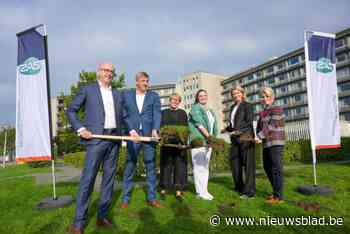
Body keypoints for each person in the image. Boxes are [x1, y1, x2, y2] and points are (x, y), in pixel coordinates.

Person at [66, 63, 123, 234]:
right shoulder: (88, 89)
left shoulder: (117, 94)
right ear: (99, 73)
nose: (109, 73)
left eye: (111, 71)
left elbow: (124, 116)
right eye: (106, 70)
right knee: (88, 180)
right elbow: (71, 110)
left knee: (108, 181)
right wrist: (81, 129)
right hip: (96, 140)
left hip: (114, 139)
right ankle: (78, 223)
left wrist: (132, 131)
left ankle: (102, 216)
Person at [120, 71, 163, 208]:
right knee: (130, 165)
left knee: (150, 166)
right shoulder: (127, 96)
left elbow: (157, 114)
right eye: (144, 81)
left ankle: (152, 198)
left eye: (147, 81)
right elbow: (124, 114)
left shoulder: (153, 96)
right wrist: (131, 130)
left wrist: (155, 129)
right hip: (133, 136)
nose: (146, 83)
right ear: (137, 82)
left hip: (149, 136)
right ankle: (125, 199)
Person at [256, 87, 286, 204]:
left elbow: (273, 125)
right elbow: (260, 128)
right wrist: (258, 137)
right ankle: (275, 192)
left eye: (267, 96)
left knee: (276, 169)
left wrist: (259, 135)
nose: (265, 99)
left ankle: (279, 197)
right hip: (266, 143)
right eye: (263, 97)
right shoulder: (263, 112)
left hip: (276, 143)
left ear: (272, 97)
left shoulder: (277, 108)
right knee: (267, 168)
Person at [225, 86, 255, 199]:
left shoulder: (247, 105)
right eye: (233, 93)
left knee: (248, 166)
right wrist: (226, 129)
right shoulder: (233, 107)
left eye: (238, 92)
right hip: (235, 139)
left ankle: (249, 192)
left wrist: (237, 132)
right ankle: (239, 187)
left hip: (246, 138)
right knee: (234, 163)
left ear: (242, 93)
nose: (235, 95)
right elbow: (233, 124)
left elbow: (249, 122)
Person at [188, 89, 218, 200]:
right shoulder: (195, 108)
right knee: (199, 167)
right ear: (197, 97)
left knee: (205, 167)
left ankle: (204, 190)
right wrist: (209, 137)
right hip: (199, 141)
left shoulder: (209, 110)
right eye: (200, 96)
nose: (203, 97)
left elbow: (214, 126)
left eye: (205, 95)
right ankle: (199, 192)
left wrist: (213, 138)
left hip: (208, 142)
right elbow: (199, 124)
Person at [159, 93, 188, 202]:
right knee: (165, 166)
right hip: (166, 144)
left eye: (177, 100)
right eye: (173, 100)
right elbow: (161, 127)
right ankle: (163, 190)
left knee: (179, 167)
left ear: (179, 102)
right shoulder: (163, 113)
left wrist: (183, 141)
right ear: (169, 101)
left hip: (179, 145)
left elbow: (185, 129)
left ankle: (178, 192)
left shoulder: (183, 113)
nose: (175, 102)